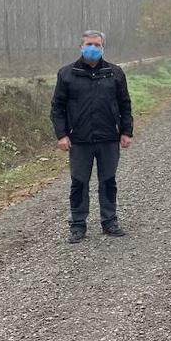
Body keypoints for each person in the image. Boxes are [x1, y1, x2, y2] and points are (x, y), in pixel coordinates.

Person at [51, 30, 133, 244]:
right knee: (79, 183)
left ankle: (110, 221)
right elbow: (57, 108)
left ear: (103, 47)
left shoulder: (115, 73)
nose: (93, 48)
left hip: (108, 138)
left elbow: (125, 104)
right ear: (81, 46)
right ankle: (78, 225)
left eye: (97, 45)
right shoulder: (67, 74)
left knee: (108, 181)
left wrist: (126, 131)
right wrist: (61, 135)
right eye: (89, 44)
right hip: (79, 140)